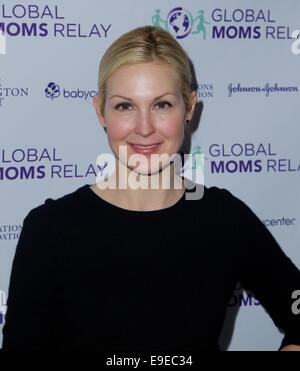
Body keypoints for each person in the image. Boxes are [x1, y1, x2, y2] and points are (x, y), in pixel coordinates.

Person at [2, 25, 300, 352]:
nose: (144, 128)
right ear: (99, 110)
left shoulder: (225, 219)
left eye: (162, 105)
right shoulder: (50, 229)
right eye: (124, 106)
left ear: (189, 107)